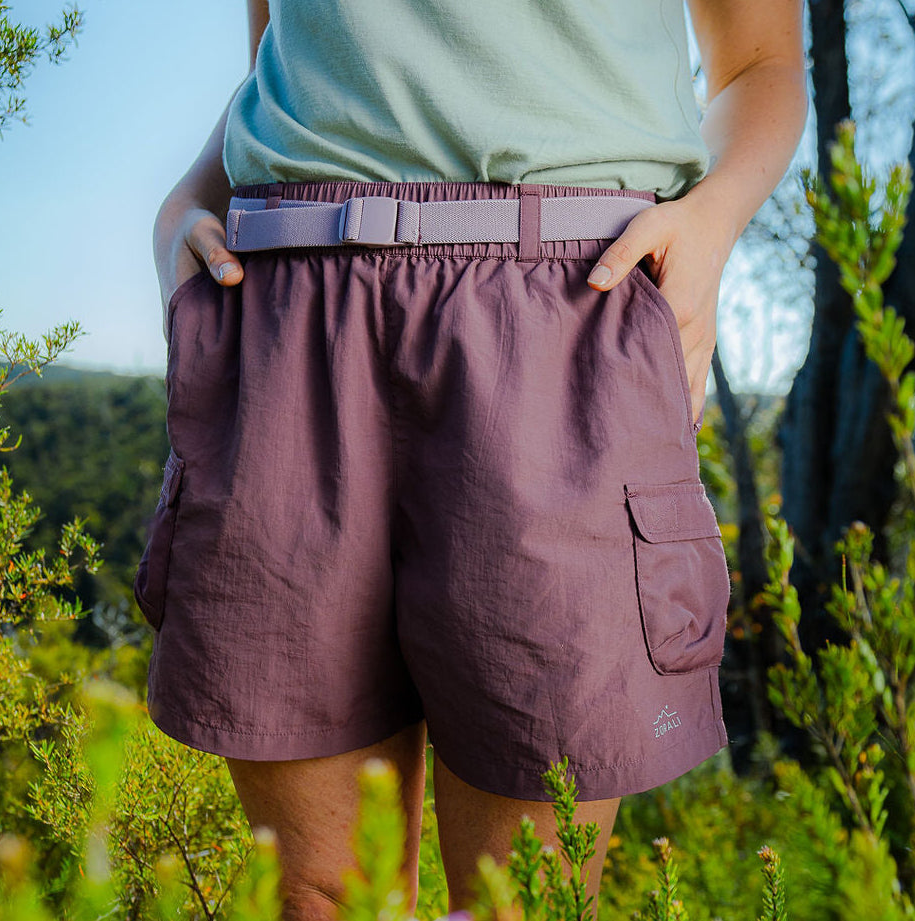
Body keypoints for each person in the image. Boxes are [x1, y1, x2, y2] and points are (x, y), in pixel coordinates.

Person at [137, 1, 807, 918]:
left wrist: (714, 221)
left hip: (566, 305)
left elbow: (761, 61)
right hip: (286, 312)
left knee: (516, 901)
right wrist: (184, 204)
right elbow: (284, 51)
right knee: (322, 898)